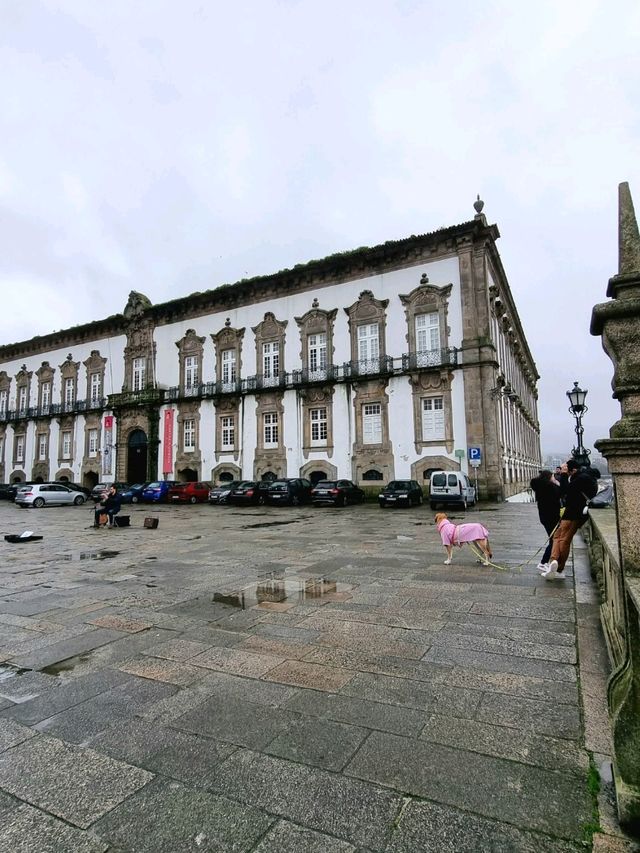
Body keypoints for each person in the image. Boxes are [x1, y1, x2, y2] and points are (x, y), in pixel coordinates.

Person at [543, 460, 599, 580]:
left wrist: (563, 475)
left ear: (573, 470)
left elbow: (565, 490)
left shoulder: (581, 478)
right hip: (572, 513)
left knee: (563, 539)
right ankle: (554, 562)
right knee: (557, 536)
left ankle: (558, 567)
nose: (567, 474)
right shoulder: (585, 477)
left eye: (568, 472)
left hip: (574, 514)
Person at [529, 470, 561, 573]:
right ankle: (543, 563)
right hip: (552, 517)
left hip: (544, 517)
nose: (554, 478)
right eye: (552, 476)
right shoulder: (550, 487)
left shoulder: (539, 486)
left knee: (554, 539)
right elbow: (560, 494)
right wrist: (557, 483)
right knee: (554, 540)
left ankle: (548, 562)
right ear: (549, 477)